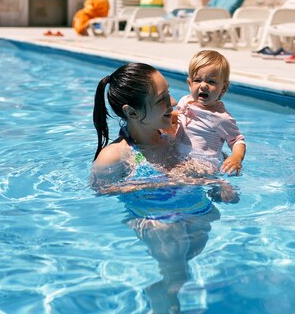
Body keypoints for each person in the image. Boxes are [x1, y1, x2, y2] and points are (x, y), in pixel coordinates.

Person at [91, 62, 238, 314]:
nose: (172, 102)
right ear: (133, 113)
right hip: (158, 221)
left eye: (168, 92)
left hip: (198, 211)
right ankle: (162, 296)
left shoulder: (178, 129)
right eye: (161, 99)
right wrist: (162, 182)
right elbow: (101, 191)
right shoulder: (115, 157)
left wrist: (217, 181)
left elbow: (211, 156)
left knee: (188, 260)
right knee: (176, 275)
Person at [176, 50, 246, 175]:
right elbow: (178, 118)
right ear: (189, 84)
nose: (203, 86)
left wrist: (236, 157)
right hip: (182, 157)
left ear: (223, 88)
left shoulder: (220, 118)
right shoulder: (185, 101)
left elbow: (237, 140)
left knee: (174, 178)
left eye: (211, 82)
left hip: (204, 165)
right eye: (197, 80)